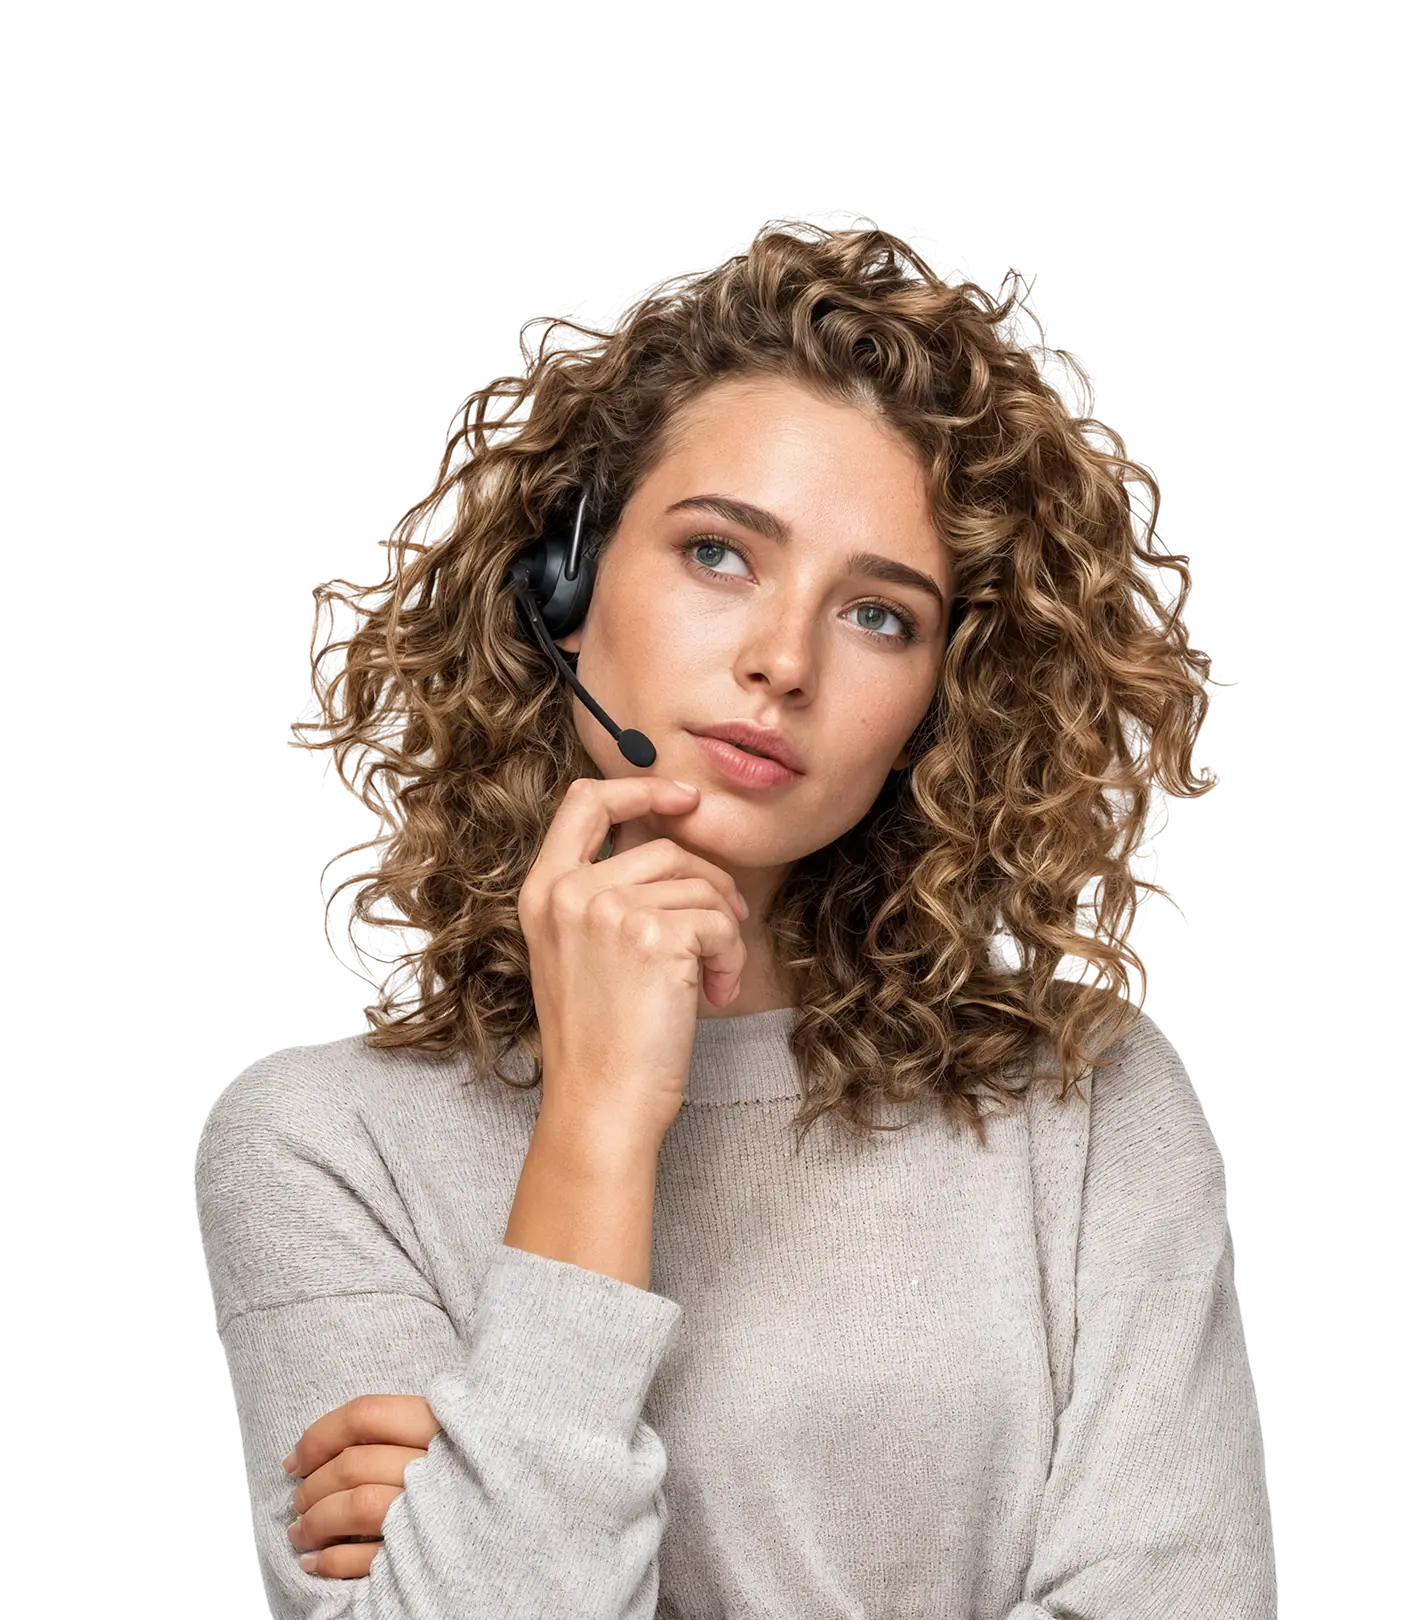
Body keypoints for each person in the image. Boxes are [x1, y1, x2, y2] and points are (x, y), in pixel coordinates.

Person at [192, 206, 1276, 1616]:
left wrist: (480, 1509)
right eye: (719, 553)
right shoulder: (319, 1149)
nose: (782, 660)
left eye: (879, 614)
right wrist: (594, 1122)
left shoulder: (1088, 1096)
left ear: (942, 700)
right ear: (561, 588)